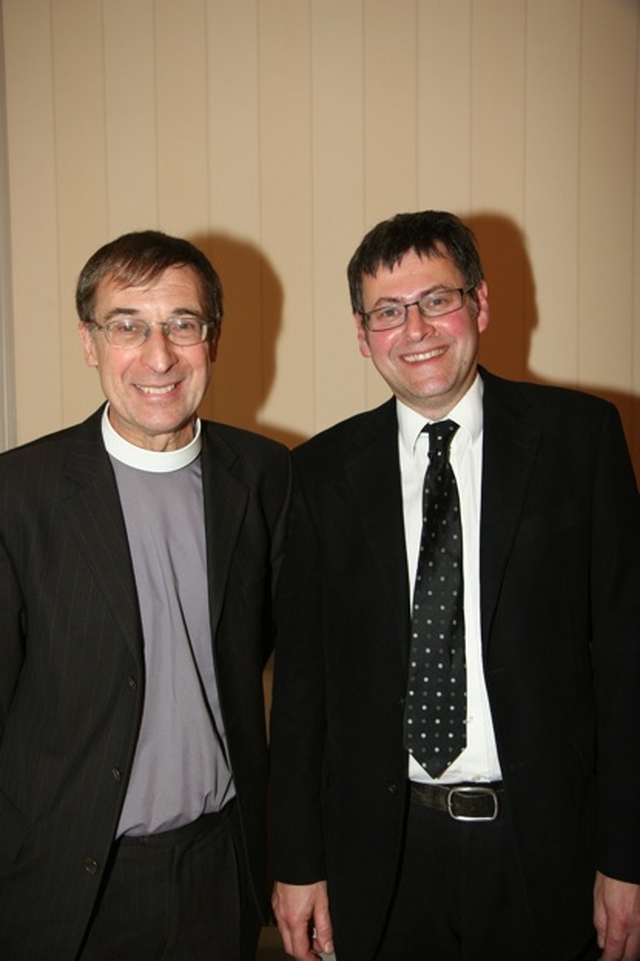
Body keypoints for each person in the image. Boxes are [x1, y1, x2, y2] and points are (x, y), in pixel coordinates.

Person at [269, 210, 640, 961]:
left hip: (548, 851)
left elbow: (629, 664)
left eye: (436, 299)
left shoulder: (582, 440)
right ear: (362, 331)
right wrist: (297, 863)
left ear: (480, 303)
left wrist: (626, 855)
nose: (416, 329)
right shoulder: (317, 474)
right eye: (388, 311)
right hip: (383, 856)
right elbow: (304, 688)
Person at [0, 230, 290, 961]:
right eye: (127, 325)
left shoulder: (265, 476)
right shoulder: (19, 495)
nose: (157, 356)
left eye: (181, 325)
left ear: (212, 339)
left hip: (220, 872)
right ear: (90, 342)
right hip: (68, 886)